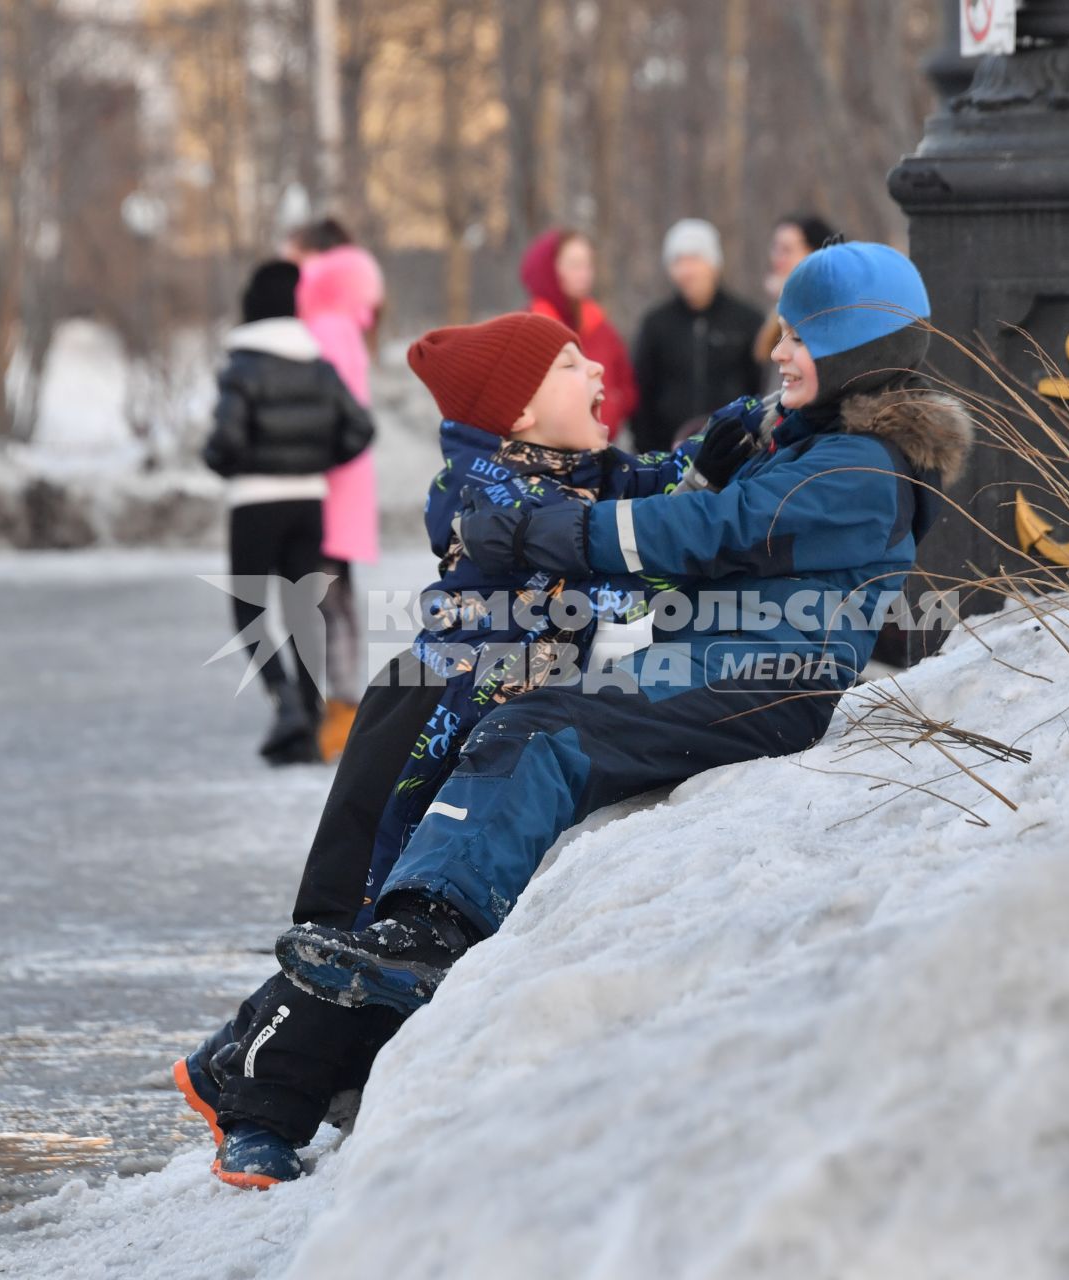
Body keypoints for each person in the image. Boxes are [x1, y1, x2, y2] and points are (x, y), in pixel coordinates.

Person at [273, 243, 971, 1017]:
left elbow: (708, 529)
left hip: (767, 679)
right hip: (733, 660)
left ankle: (432, 931)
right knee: (530, 714)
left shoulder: (855, 471)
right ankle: (395, 936)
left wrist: (548, 533)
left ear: (854, 350)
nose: (777, 351)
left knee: (544, 727)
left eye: (799, 338)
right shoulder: (825, 446)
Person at [174, 312, 703, 1189]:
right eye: (572, 366)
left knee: (415, 914)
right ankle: (259, 1107)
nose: (600, 374)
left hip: (493, 725)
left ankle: (228, 1051)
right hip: (428, 717)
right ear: (521, 416)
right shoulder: (493, 494)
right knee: (362, 918)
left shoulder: (578, 476)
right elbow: (601, 537)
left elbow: (651, 487)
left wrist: (742, 436)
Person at [203, 260, 375, 764]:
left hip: (255, 503)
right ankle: (307, 713)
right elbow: (360, 428)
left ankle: (286, 705)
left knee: (248, 610)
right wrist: (318, 461)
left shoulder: (243, 368)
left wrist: (228, 464)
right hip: (309, 502)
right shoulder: (319, 365)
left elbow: (225, 440)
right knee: (303, 610)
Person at [296, 243, 385, 761]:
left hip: (328, 485)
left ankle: (339, 710)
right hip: (343, 485)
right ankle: (341, 707)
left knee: (327, 599)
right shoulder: (346, 327)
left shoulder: (326, 329)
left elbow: (336, 413)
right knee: (336, 598)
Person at [628, 217, 766, 454]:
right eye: (678, 261)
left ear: (714, 264)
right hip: (668, 453)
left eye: (695, 259)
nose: (686, 270)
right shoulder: (656, 323)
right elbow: (642, 391)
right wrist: (648, 451)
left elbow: (759, 386)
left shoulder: (747, 321)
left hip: (734, 452)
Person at [519, 227, 638, 440]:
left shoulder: (601, 327)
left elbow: (626, 386)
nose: (584, 274)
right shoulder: (527, 329)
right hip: (544, 457)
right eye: (574, 265)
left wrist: (612, 407)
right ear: (549, 270)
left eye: (588, 265)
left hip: (601, 453)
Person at [753, 212, 841, 365]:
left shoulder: (827, 309)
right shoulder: (782, 308)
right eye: (775, 248)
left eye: (787, 250)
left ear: (814, 255)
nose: (777, 258)